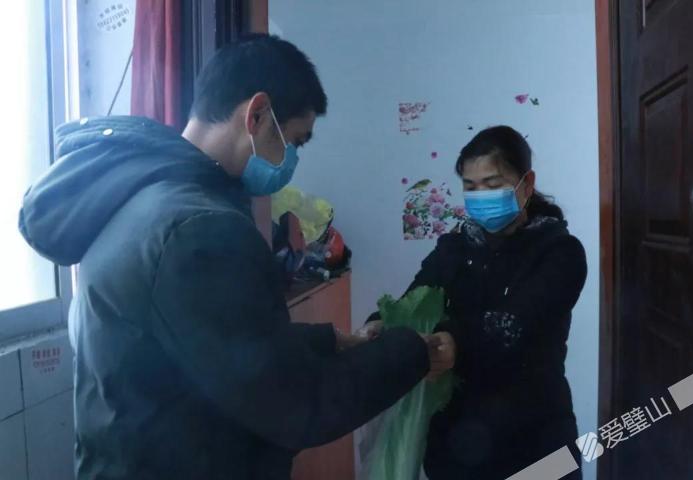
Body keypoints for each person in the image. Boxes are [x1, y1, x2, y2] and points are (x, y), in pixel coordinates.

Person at [18, 34, 455, 479]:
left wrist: (334, 341)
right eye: (295, 141)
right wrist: (411, 352)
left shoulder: (140, 199)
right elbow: (300, 405)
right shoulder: (199, 229)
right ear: (257, 114)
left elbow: (217, 345)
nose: (291, 159)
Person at [362, 126, 587, 479]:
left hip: (536, 433)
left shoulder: (561, 252)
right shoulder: (455, 248)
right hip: (459, 440)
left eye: (492, 184)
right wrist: (379, 323)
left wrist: (455, 342)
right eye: (470, 186)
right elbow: (415, 298)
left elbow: (516, 322)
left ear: (526, 184)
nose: (481, 196)